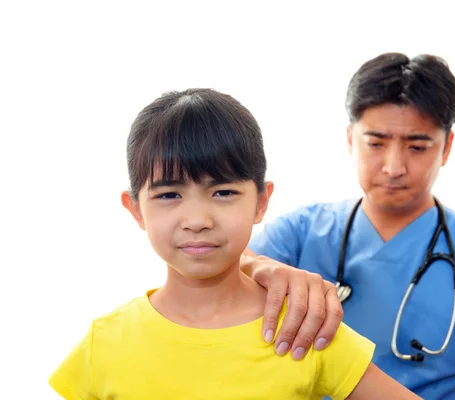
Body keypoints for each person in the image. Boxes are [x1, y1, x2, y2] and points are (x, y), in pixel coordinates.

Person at [48, 88, 421, 399]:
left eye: (223, 192)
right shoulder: (106, 342)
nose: (197, 221)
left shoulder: (302, 328)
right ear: (135, 210)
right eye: (168, 195)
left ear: (261, 201)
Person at [243, 52, 455, 399]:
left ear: (446, 148)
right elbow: (212, 273)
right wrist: (259, 265)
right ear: (350, 139)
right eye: (376, 143)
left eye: (417, 146)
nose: (394, 166)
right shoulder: (300, 235)